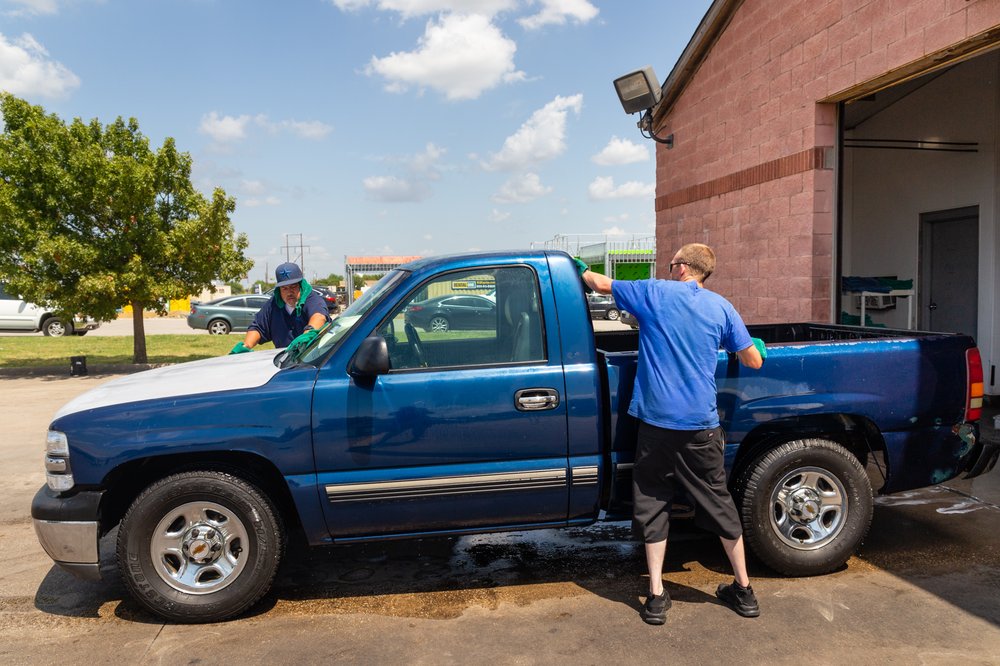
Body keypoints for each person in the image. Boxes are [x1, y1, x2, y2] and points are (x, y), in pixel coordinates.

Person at [576, 243, 765, 625]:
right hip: (702, 427)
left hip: (657, 425)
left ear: (681, 268)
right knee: (719, 503)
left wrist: (574, 265)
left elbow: (598, 283)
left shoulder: (654, 292)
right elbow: (753, 359)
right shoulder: (721, 307)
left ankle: (657, 595)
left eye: (671, 262)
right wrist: (751, 344)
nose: (668, 267)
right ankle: (744, 592)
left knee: (652, 499)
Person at [230, 262, 329, 355]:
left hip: (312, 359)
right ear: (279, 289)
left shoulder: (312, 300)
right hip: (284, 360)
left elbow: (319, 317)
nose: (289, 292)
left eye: (293, 287)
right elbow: (258, 327)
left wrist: (305, 338)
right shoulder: (273, 304)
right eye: (284, 288)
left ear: (301, 286)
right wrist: (246, 346)